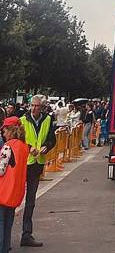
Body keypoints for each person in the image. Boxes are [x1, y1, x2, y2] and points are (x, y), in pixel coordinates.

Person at [20, 95, 56, 247]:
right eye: (32, 106)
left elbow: (52, 140)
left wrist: (45, 148)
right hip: (23, 163)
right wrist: (29, 148)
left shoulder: (47, 120)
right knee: (13, 198)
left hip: (37, 164)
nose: (34, 108)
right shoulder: (22, 120)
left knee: (30, 201)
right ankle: (5, 234)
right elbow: (18, 140)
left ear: (42, 107)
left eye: (37, 106)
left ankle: (26, 234)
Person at [0, 117, 28, 253]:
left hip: (3, 191)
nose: (3, 134)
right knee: (8, 225)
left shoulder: (7, 147)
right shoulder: (23, 147)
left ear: (10, 130)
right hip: (15, 192)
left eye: (4, 130)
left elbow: (1, 169)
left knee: (0, 224)